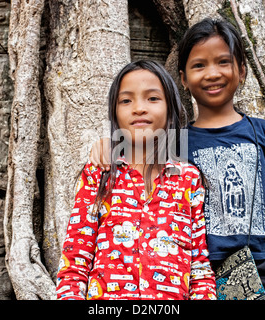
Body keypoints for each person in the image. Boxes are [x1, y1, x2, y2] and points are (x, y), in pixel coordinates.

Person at [90, 19, 265, 300]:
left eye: (223, 62)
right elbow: (134, 159)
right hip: (197, 269)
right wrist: (106, 146)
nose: (212, 73)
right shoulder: (175, 141)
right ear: (182, 78)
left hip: (262, 264)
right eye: (199, 65)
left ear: (242, 71)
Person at [56, 60, 216, 300]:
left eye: (152, 98)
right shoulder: (99, 174)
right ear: (114, 112)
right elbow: (74, 264)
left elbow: (199, 270)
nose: (139, 108)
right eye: (126, 100)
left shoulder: (188, 179)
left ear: (170, 107)